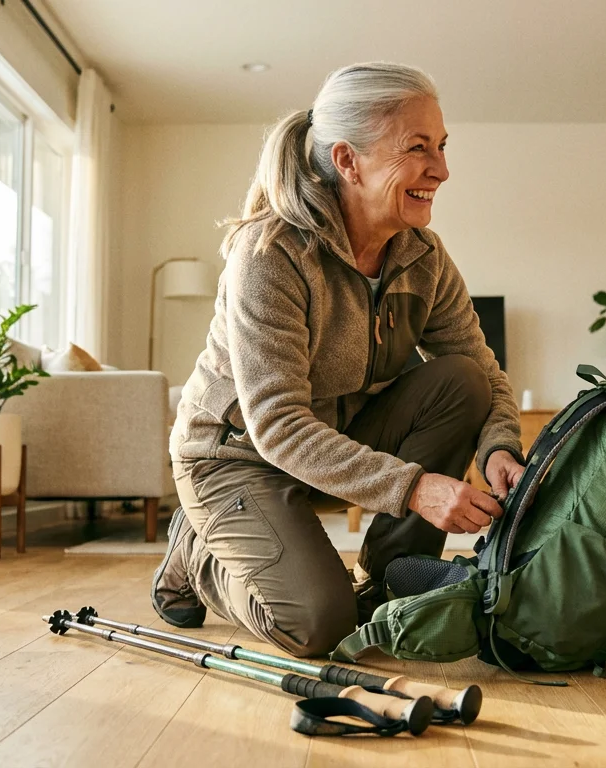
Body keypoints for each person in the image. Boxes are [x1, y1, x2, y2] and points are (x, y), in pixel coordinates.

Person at [151, 62, 524, 657]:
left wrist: (499, 444)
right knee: (320, 625)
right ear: (348, 161)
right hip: (234, 457)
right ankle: (199, 554)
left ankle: (391, 579)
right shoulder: (270, 254)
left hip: (331, 438)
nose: (442, 169)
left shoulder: (422, 256)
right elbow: (276, 426)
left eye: (442, 146)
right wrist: (415, 489)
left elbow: (479, 364)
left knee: (463, 381)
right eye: (417, 148)